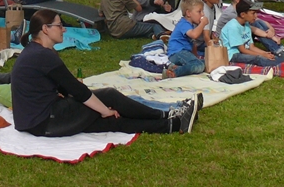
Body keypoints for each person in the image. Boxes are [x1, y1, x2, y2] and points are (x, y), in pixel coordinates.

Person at [11, 8, 199, 136]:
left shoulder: (36, 51)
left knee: (110, 123)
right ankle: (165, 114)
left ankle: (173, 124)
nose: (64, 29)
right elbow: (77, 90)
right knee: (109, 96)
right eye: (59, 25)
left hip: (36, 122)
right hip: (46, 120)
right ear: (45, 29)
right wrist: (103, 109)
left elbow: (65, 86)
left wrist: (97, 107)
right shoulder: (43, 55)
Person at [218, 0, 284, 74]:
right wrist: (262, 54)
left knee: (269, 55)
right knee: (258, 58)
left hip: (241, 52)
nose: (256, 16)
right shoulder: (233, 27)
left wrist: (265, 53)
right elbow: (243, 50)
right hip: (232, 55)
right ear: (243, 14)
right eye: (253, 13)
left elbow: (252, 47)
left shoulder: (246, 24)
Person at [163, 0, 211, 79]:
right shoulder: (184, 24)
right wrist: (202, 24)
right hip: (177, 53)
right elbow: (194, 35)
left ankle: (175, 66)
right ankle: (173, 73)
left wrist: (195, 57)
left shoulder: (190, 25)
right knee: (199, 65)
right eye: (199, 11)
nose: (202, 14)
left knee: (206, 62)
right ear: (188, 13)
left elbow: (193, 44)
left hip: (184, 53)